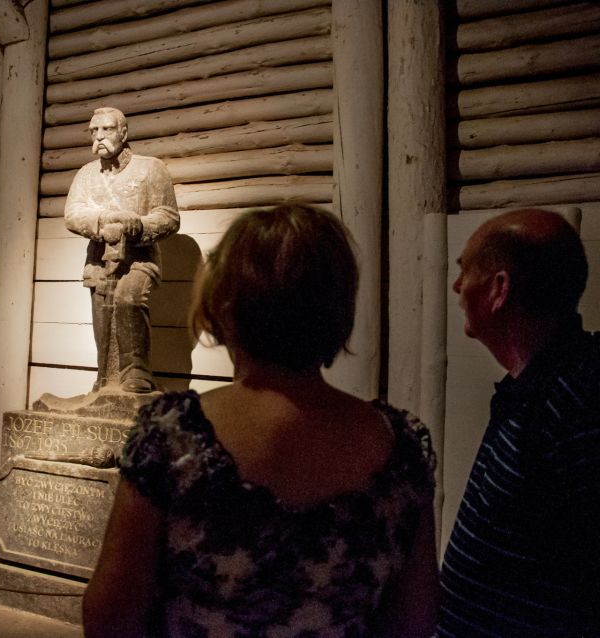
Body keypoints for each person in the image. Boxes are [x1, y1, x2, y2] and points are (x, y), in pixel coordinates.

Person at [84, 205, 438, 637]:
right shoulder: (400, 444)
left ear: (225, 304)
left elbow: (110, 619)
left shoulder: (173, 435)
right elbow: (413, 623)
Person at [439, 208, 600, 637]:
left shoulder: (575, 405)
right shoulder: (538, 389)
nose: (457, 286)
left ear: (498, 289)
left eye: (465, 270)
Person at [64, 107, 179, 393]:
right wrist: (103, 222)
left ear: (123, 132)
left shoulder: (151, 168)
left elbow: (169, 216)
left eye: (107, 129)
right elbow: (73, 214)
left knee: (129, 300)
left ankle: (136, 372)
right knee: (102, 318)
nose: (99, 136)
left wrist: (137, 225)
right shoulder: (87, 174)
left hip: (138, 259)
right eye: (94, 131)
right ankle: (105, 380)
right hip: (99, 262)